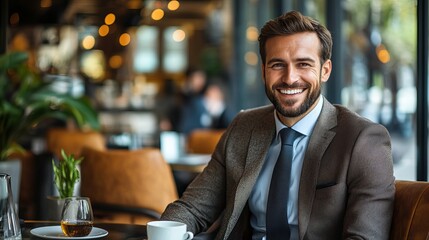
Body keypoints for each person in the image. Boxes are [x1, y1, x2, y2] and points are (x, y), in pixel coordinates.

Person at [161, 10, 395, 240]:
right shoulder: (243, 126)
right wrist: (161, 234)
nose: (290, 78)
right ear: (263, 71)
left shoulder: (363, 140)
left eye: (303, 64)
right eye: (277, 65)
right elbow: (193, 208)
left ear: (325, 71)